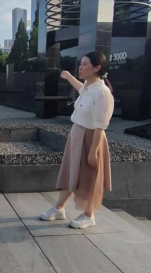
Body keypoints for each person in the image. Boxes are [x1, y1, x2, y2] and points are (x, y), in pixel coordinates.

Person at [39, 51, 114, 229]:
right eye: (80, 63)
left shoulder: (102, 93)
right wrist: (68, 76)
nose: (81, 67)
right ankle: (59, 208)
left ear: (97, 68)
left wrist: (93, 151)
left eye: (85, 64)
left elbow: (100, 127)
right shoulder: (89, 88)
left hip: (91, 138)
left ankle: (89, 215)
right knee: (70, 172)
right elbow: (81, 88)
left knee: (88, 177)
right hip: (77, 134)